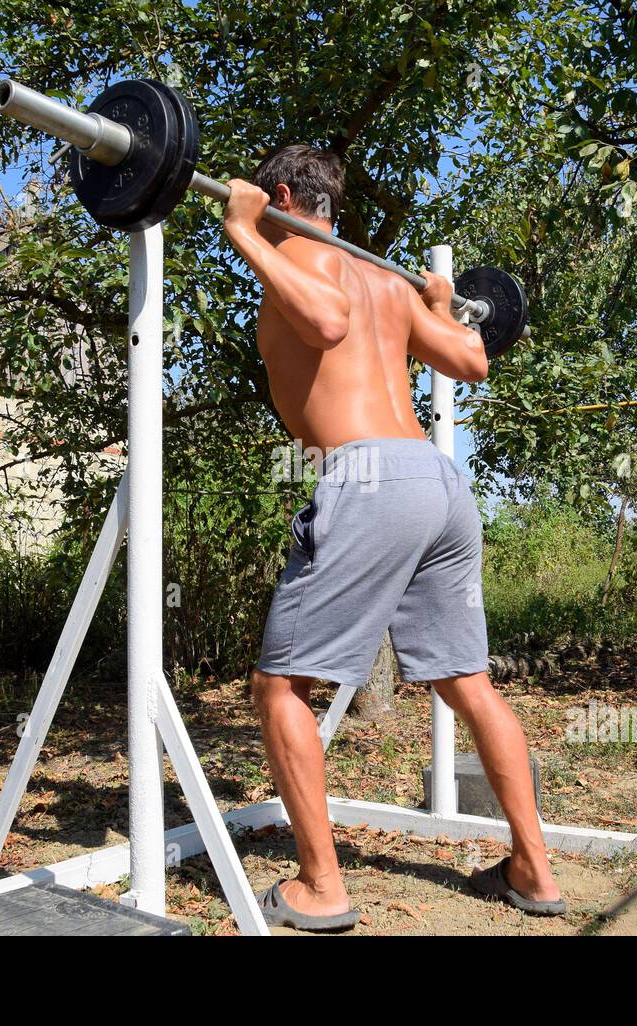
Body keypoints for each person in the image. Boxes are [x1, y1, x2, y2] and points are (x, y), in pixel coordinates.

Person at [222, 144, 565, 932]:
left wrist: (243, 233)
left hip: (367, 478)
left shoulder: (296, 265)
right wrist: (440, 304)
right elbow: (471, 359)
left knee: (279, 689)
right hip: (436, 481)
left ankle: (322, 887)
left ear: (278, 195)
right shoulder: (386, 277)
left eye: (262, 205)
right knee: (467, 681)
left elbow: (324, 319)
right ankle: (533, 872)